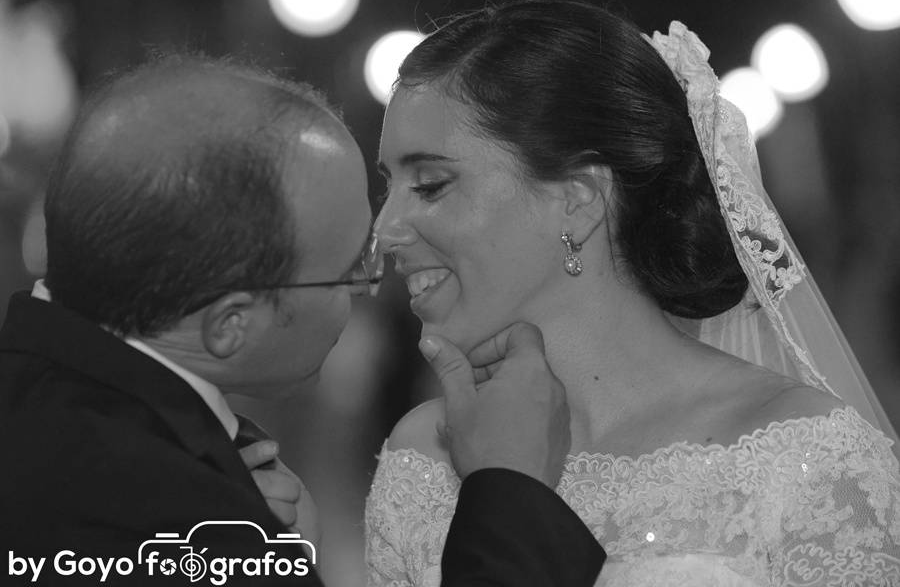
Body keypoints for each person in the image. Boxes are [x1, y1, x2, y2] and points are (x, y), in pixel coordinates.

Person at [0, 55, 605, 586]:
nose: (370, 288)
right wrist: (512, 487)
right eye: (345, 273)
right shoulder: (160, 516)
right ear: (229, 324)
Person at [365, 0, 900, 587]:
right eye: (389, 186)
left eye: (431, 184)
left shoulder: (810, 460)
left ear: (579, 198)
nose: (385, 229)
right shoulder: (422, 457)